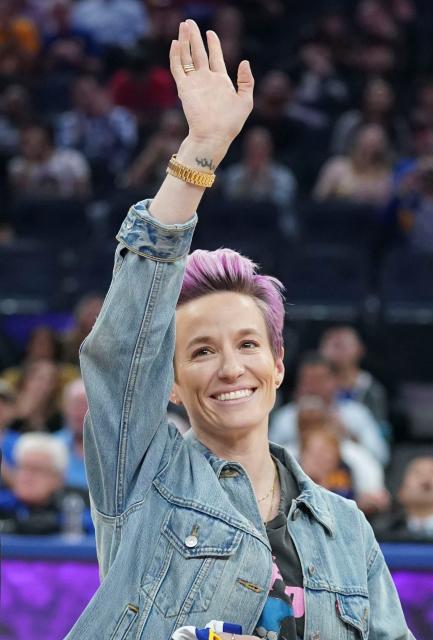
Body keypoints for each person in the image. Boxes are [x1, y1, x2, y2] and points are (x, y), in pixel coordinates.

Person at [65, 20, 410, 640]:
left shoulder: (346, 527)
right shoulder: (141, 477)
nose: (230, 367)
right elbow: (123, 351)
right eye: (200, 351)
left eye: (248, 344)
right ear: (169, 383)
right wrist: (200, 154)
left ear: (278, 363)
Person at [0, 432, 69, 534]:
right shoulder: (3, 505)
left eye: (36, 469)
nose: (26, 476)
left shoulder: (72, 511)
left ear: (58, 478)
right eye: (22, 467)